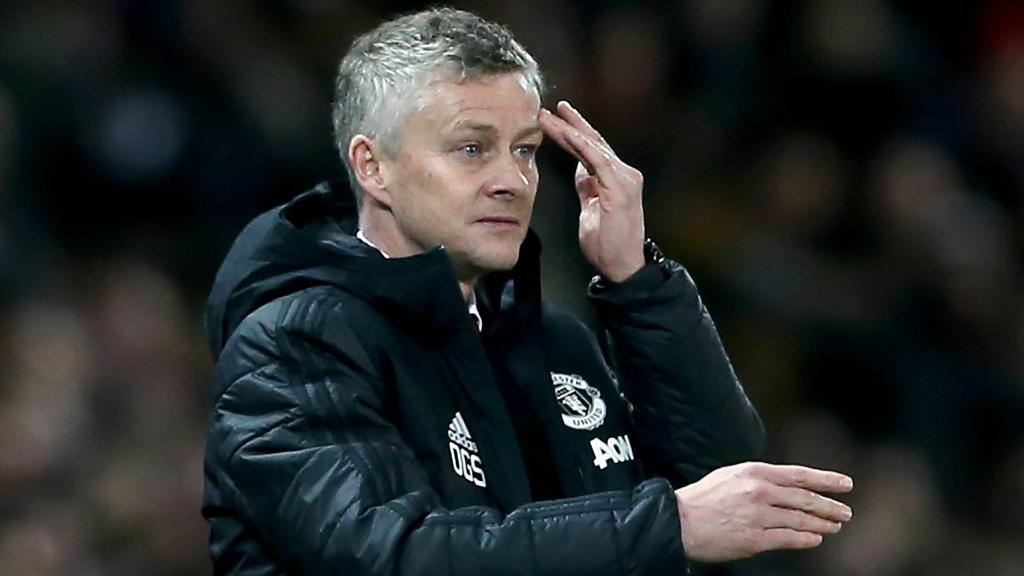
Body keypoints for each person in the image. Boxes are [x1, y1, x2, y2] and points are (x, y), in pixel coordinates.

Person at [202, 7, 853, 575]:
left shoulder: (553, 342)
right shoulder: (295, 345)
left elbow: (726, 492)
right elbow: (392, 556)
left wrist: (638, 285)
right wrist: (667, 524)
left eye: (524, 150)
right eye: (471, 149)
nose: (512, 180)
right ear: (373, 167)